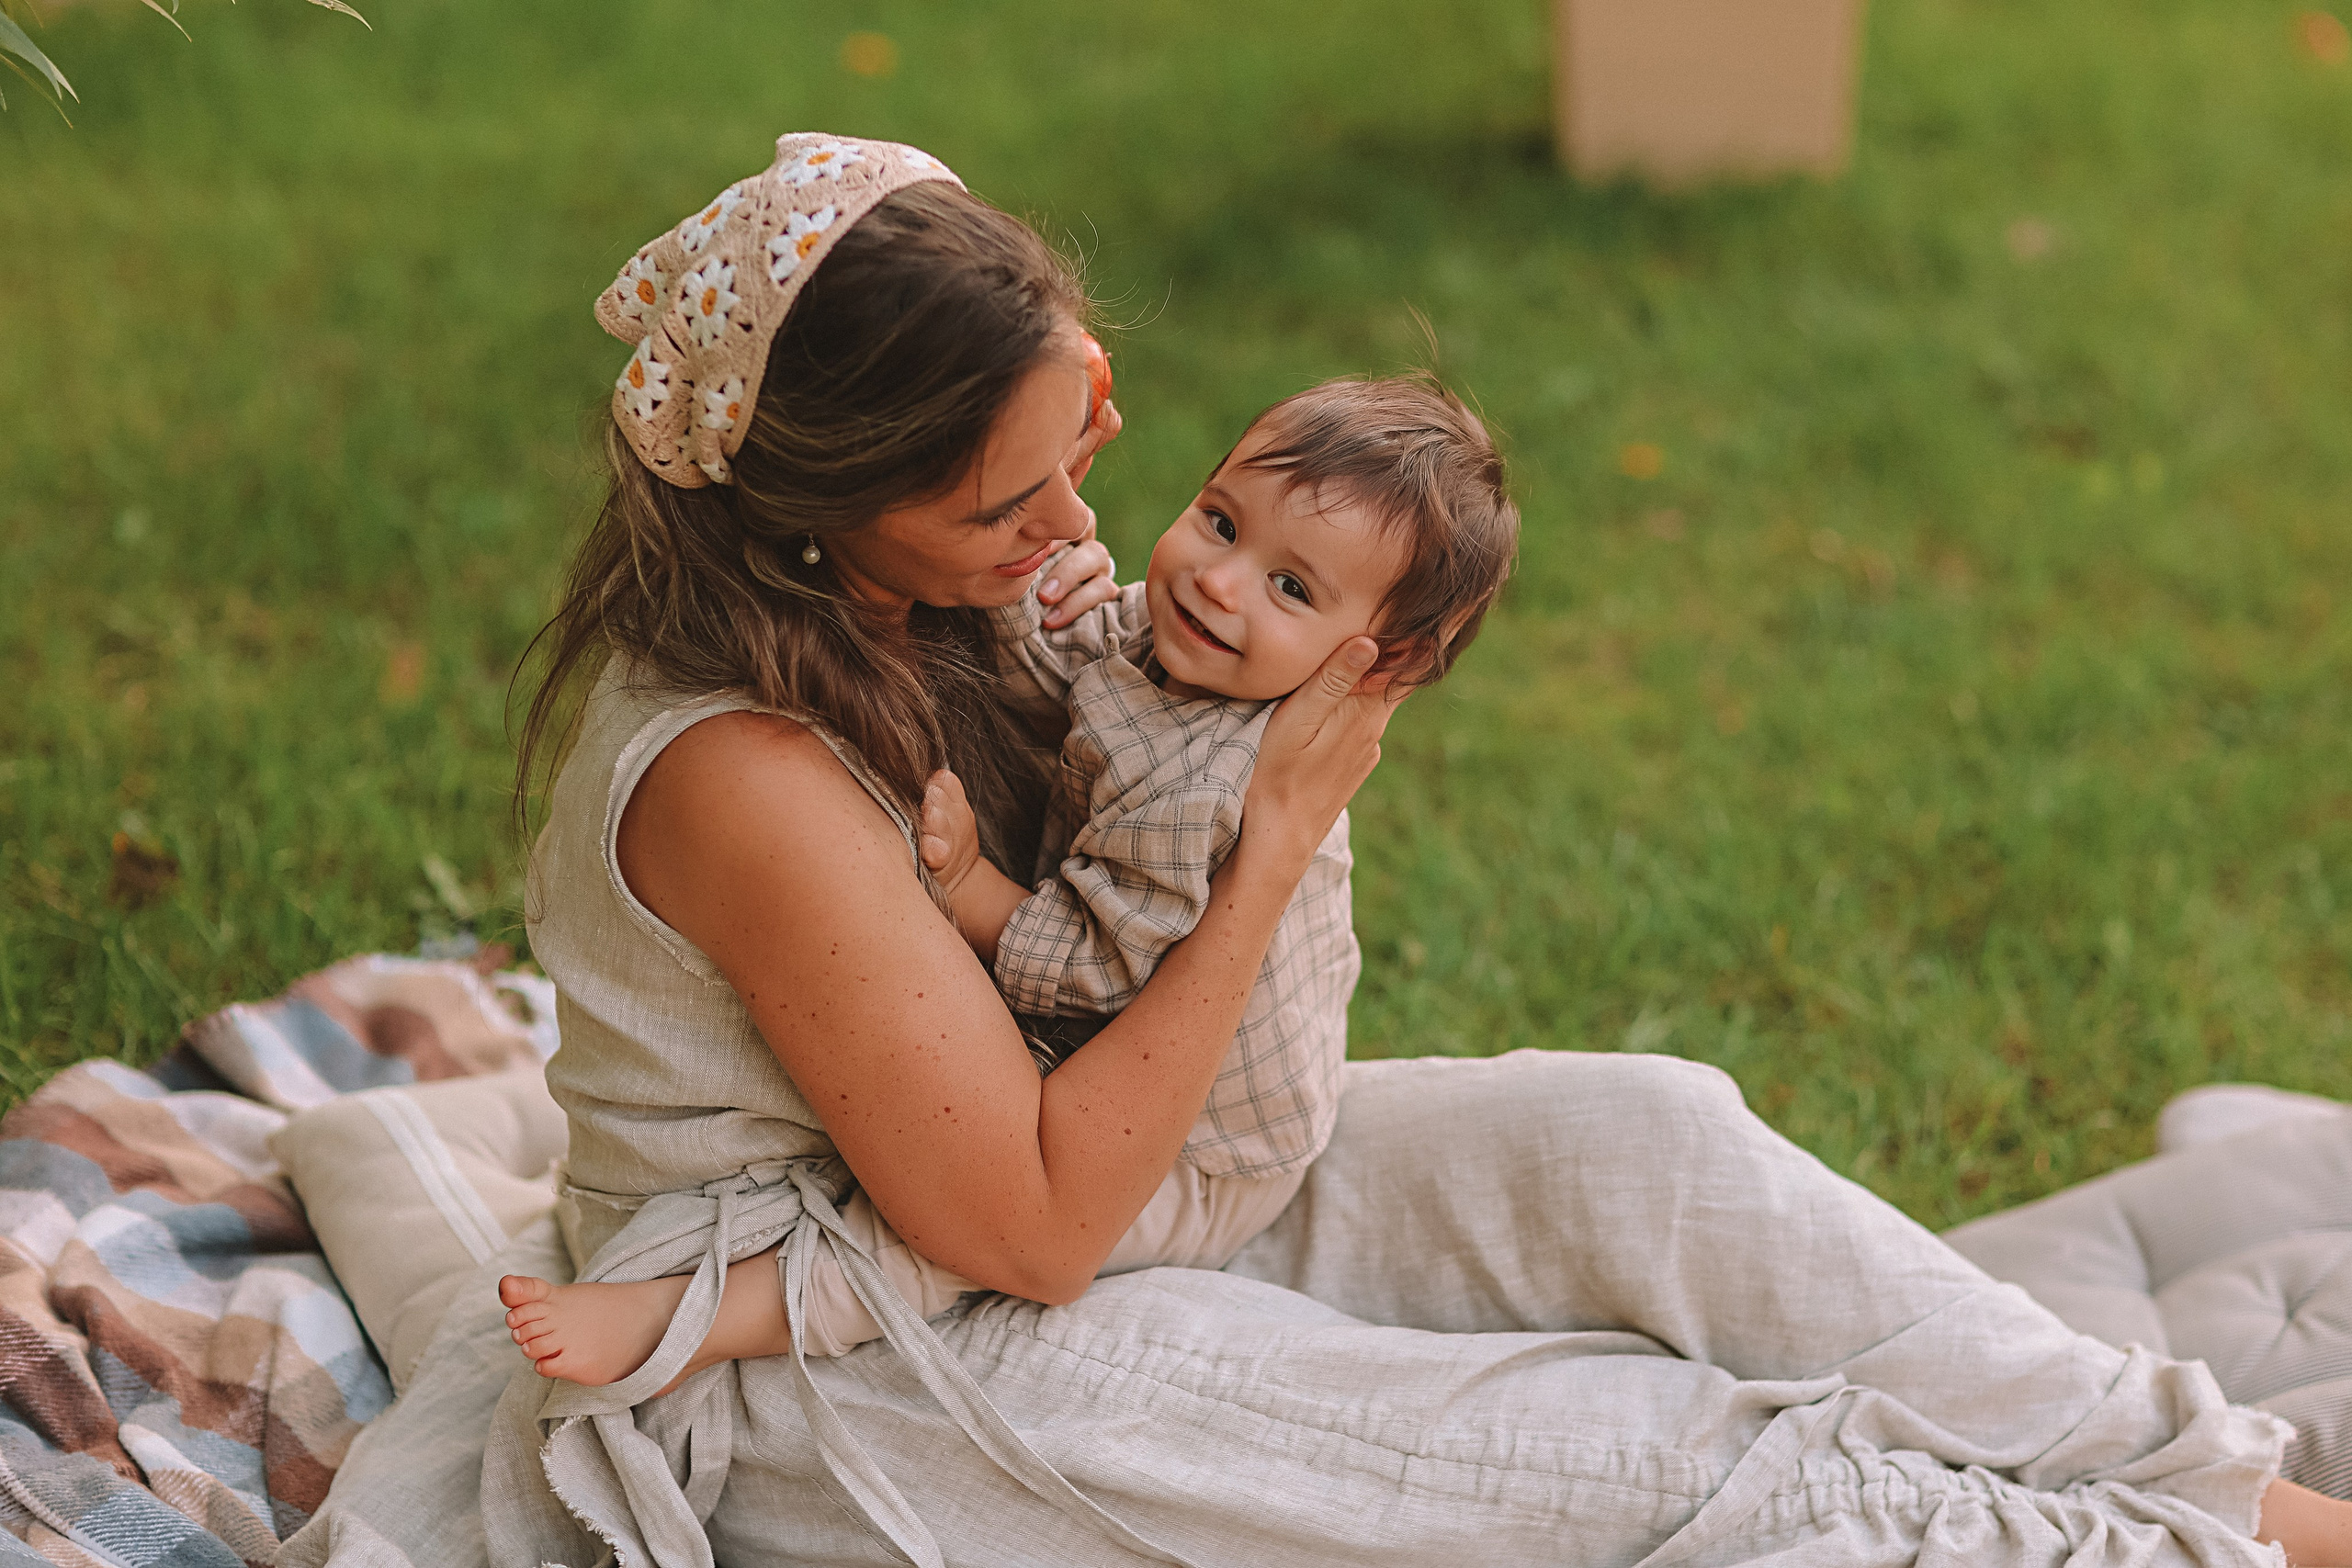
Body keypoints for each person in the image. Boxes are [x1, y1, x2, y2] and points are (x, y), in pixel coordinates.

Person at [481, 130, 2352, 1566]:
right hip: (839, 1354)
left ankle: (2231, 1491)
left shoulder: (928, 590)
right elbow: (1040, 1228)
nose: (1083, 520)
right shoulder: (743, 772)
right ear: (824, 507)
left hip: (1057, 1148)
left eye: (1089, 441)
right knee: (1656, 1457)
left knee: (1648, 1140)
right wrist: (1275, 841)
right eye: (1009, 498)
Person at [501, 371, 1520, 1377]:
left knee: (919, 1254)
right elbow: (1059, 685)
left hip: (1202, 1158)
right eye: (1218, 522)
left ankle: (686, 1321)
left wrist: (974, 888)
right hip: (1159, 1097)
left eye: (1290, 586)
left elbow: (1096, 969)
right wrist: (1037, 572)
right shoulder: (1195, 650)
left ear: (1377, 666)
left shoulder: (1206, 790)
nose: (1220, 579)